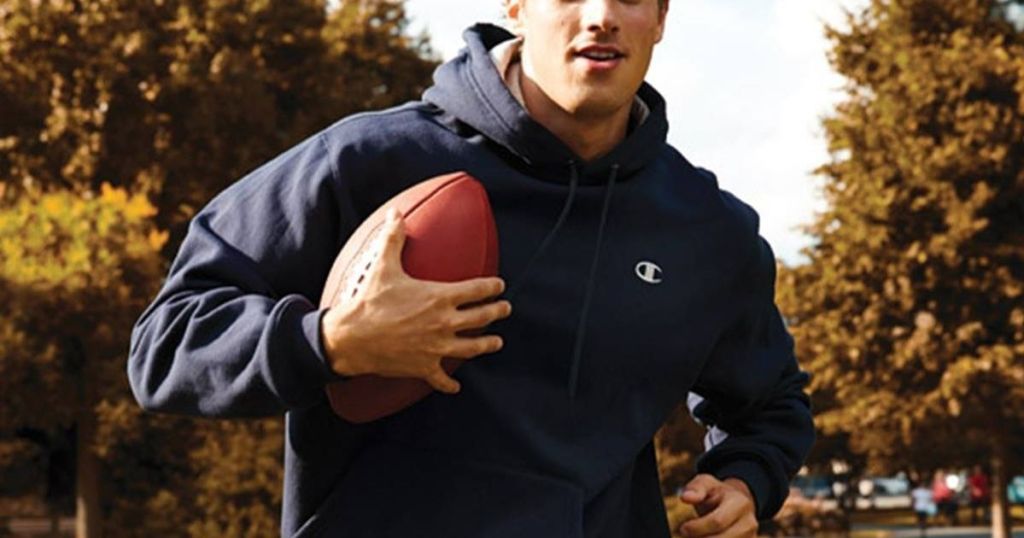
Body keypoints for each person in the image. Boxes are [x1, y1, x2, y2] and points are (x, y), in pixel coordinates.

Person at [127, 1, 815, 536]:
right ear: (516, 7)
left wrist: (745, 481)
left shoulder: (706, 228)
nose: (602, 15)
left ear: (660, 19)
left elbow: (770, 403)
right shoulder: (368, 163)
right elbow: (166, 343)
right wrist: (332, 341)